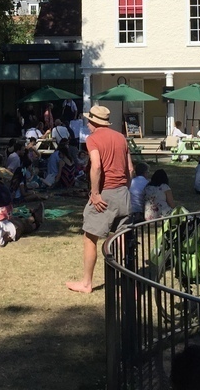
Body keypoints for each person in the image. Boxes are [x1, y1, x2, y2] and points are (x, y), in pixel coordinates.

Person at [66, 105, 133, 294]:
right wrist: (125, 189)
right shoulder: (121, 137)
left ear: (95, 122)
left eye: (89, 121)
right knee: (120, 239)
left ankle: (87, 283)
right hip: (123, 193)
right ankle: (129, 282)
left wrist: (95, 194)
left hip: (106, 193)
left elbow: (96, 166)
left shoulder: (93, 139)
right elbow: (130, 169)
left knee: (90, 237)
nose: (87, 124)